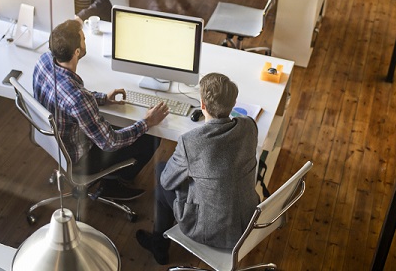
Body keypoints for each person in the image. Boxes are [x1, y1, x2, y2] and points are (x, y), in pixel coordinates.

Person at [31, 20, 169, 200]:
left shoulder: (44, 61)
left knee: (117, 122)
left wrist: (103, 98)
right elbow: (110, 142)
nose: (85, 41)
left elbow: (66, 99)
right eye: (84, 39)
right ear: (77, 52)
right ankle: (112, 184)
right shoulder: (78, 98)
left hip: (53, 143)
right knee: (151, 138)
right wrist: (147, 122)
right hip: (80, 161)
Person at [136, 73, 261, 264]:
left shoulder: (191, 141)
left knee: (161, 173)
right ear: (233, 103)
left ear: (202, 105)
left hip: (210, 230)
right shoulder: (249, 126)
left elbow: (168, 181)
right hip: (247, 219)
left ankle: (159, 246)